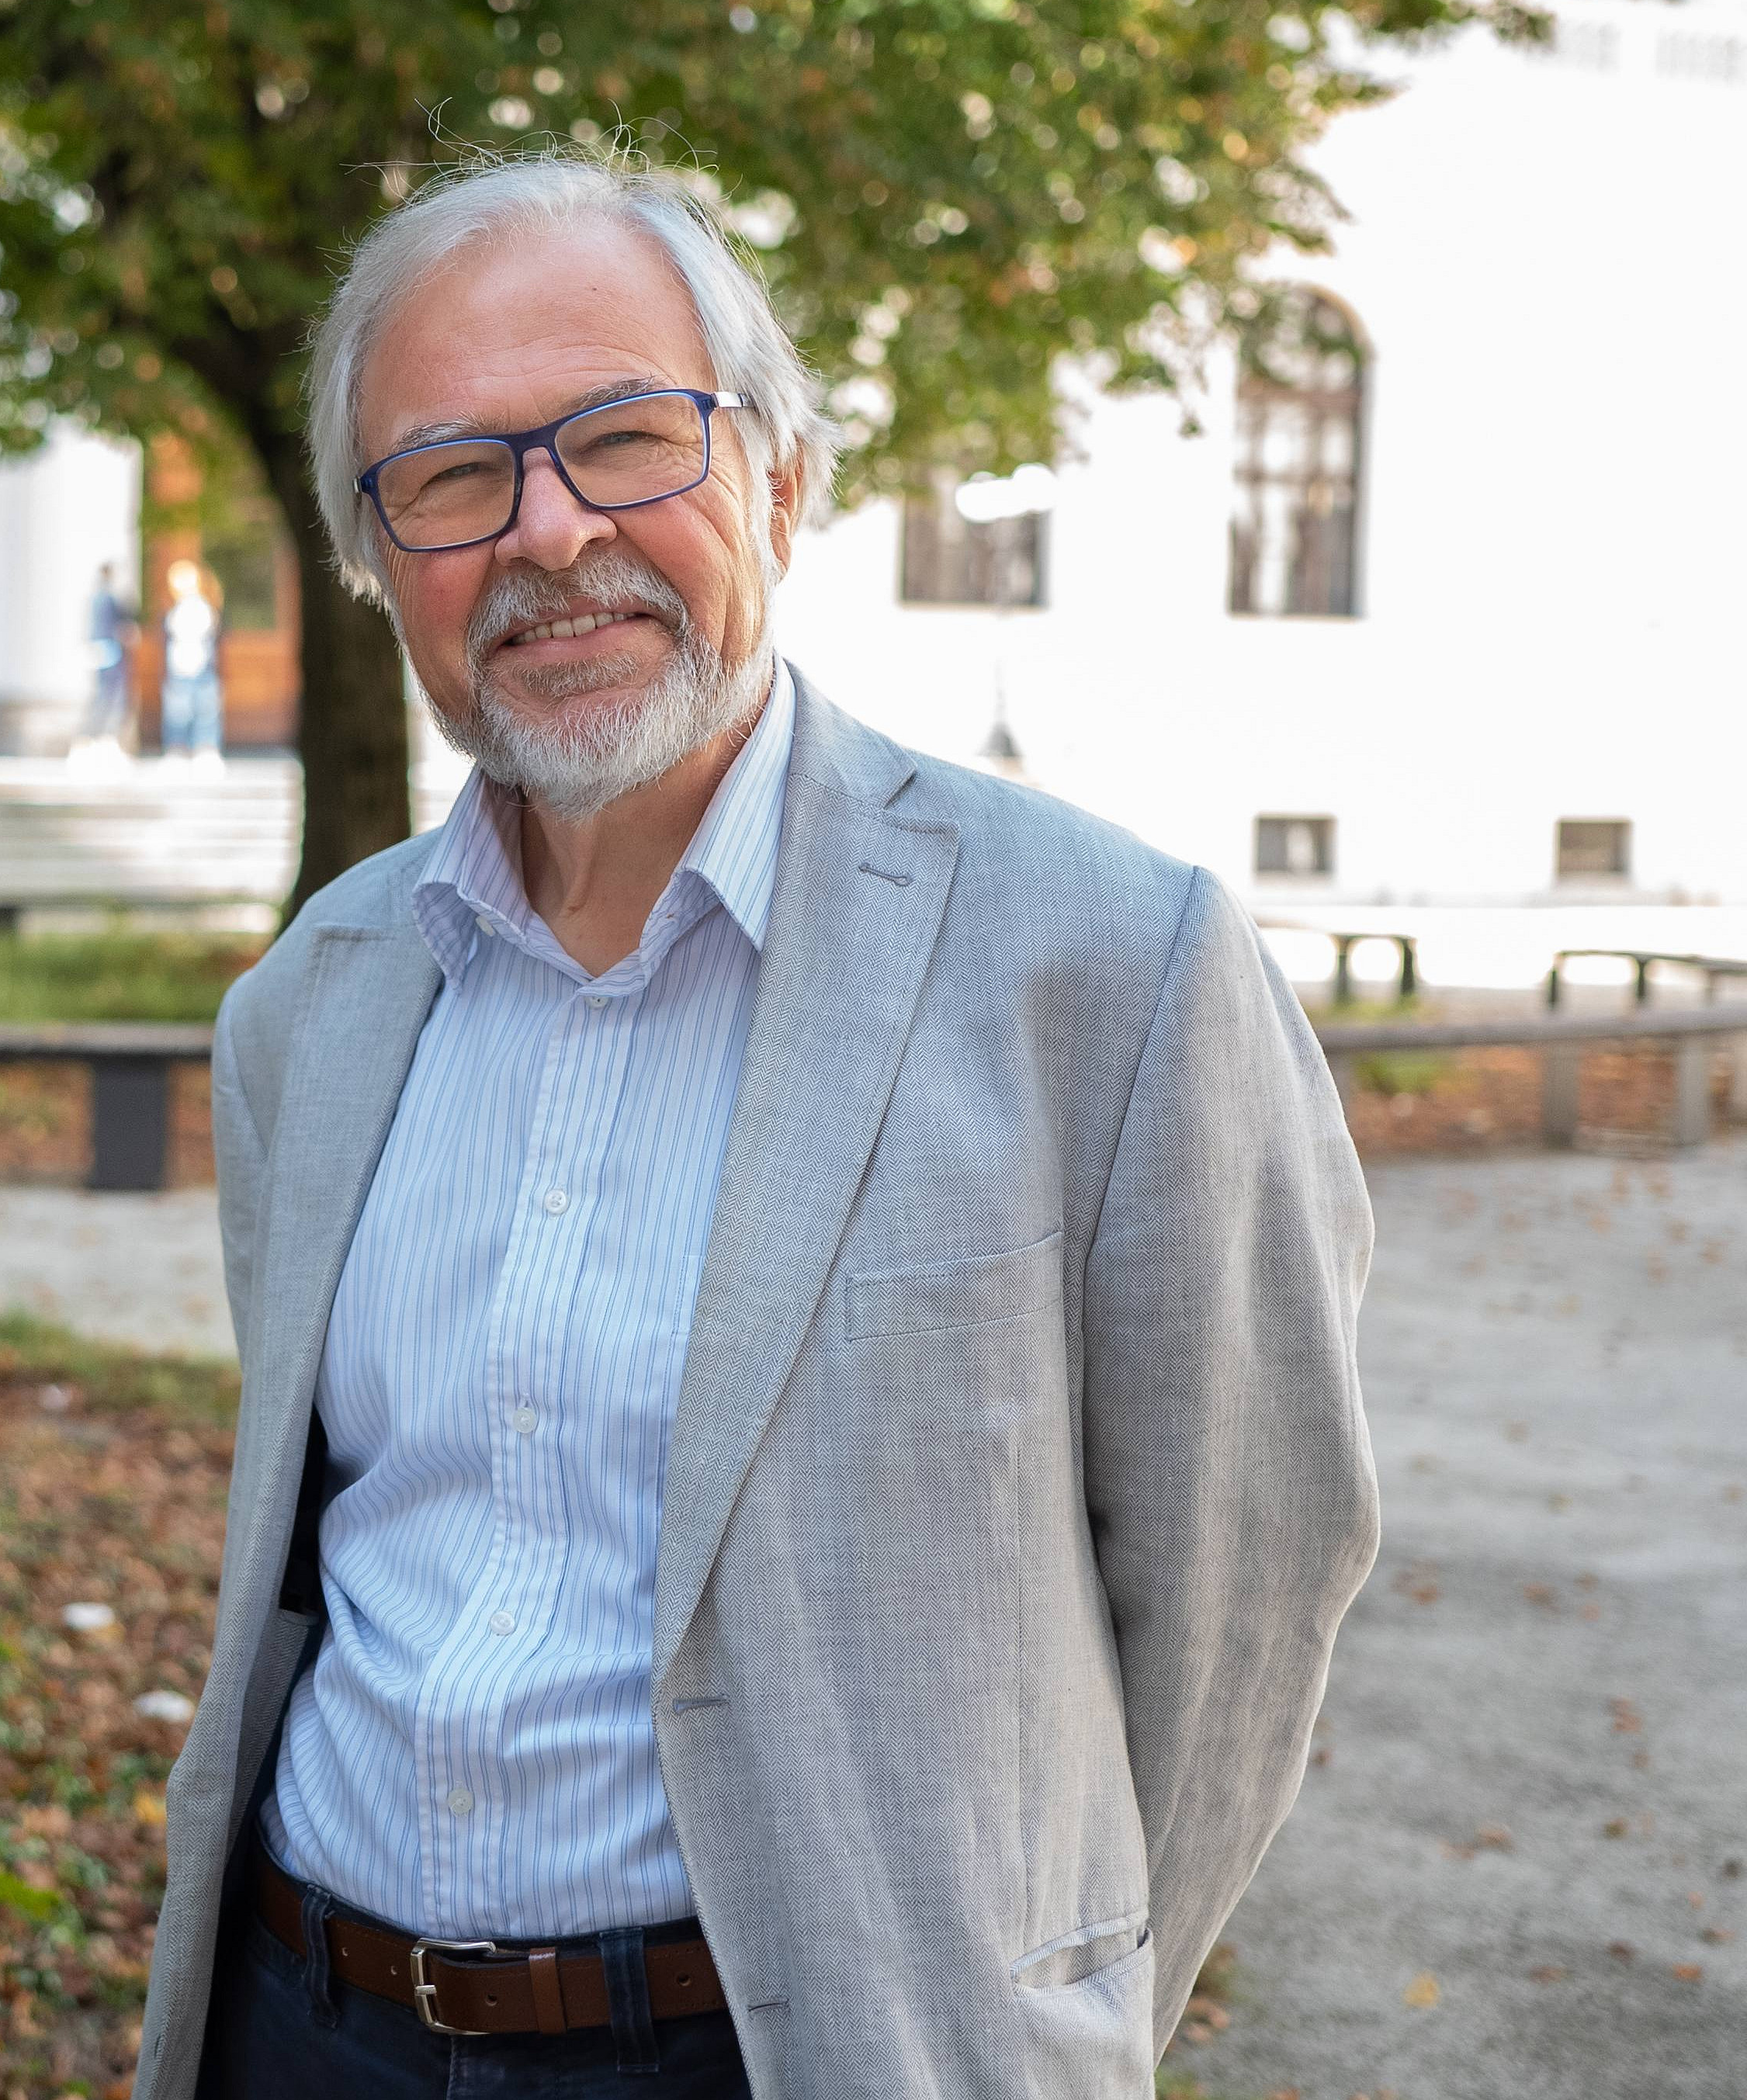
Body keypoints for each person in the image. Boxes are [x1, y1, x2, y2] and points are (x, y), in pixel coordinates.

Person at [132, 150, 1377, 2100]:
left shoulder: (1110, 968)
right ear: (379, 558)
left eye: (623, 438)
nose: (545, 536)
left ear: (777, 478)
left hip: (800, 2053)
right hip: (307, 2025)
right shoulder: (315, 998)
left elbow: (1246, 1580)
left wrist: (1037, 2000)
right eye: (452, 477)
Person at [158, 558, 224, 766]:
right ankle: (178, 751)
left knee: (204, 711)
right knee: (178, 712)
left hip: (200, 666)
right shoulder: (176, 610)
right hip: (180, 667)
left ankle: (205, 750)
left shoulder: (203, 607)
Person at [77, 560, 140, 762]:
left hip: (101, 649)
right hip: (110, 651)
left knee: (102, 696)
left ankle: (94, 740)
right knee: (111, 697)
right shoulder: (108, 600)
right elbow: (119, 628)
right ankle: (102, 740)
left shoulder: (97, 598)